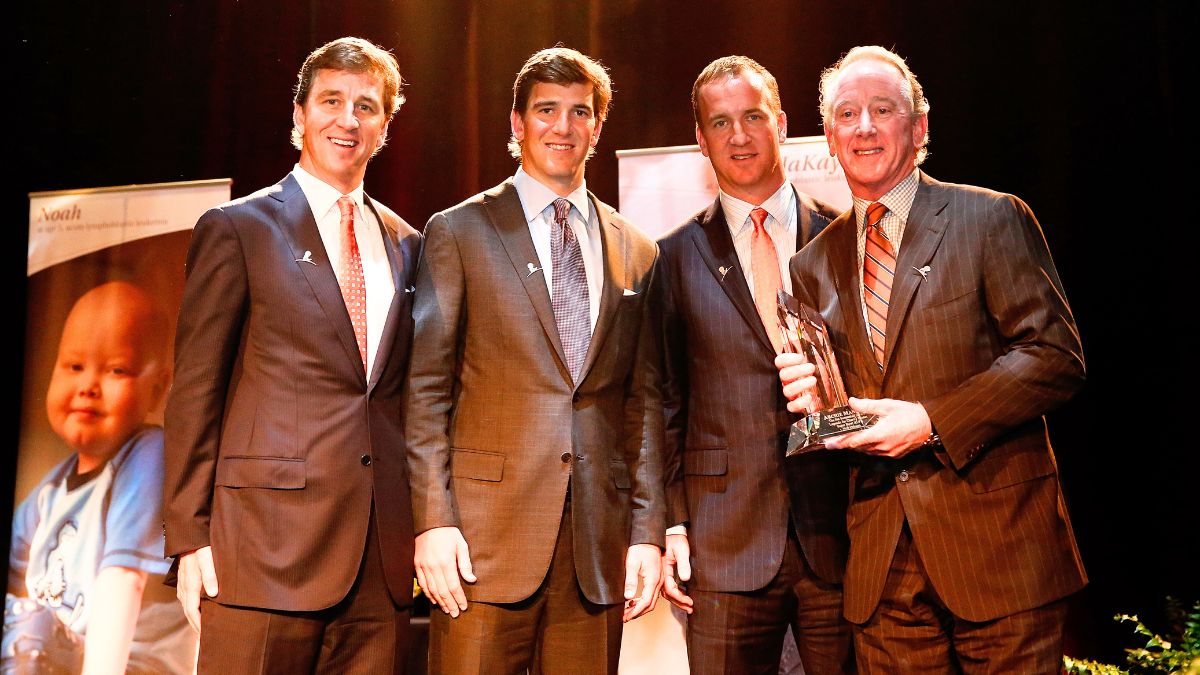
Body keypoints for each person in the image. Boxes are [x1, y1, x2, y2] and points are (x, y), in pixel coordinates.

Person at [776, 45, 1087, 673]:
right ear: (829, 137)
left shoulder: (989, 218)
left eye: (882, 109)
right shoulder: (812, 263)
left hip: (999, 552)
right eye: (846, 113)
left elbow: (1054, 354)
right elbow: (851, 402)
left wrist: (931, 420)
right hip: (883, 566)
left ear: (918, 128)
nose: (863, 126)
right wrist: (817, 400)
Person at [162, 36, 421, 674]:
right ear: (300, 115)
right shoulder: (239, 228)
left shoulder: (409, 244)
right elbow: (197, 389)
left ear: (383, 127)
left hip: (376, 557)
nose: (348, 119)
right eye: (331, 101)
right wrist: (190, 537)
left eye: (367, 106)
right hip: (260, 553)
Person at [405, 46, 665, 675]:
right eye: (546, 110)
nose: (563, 126)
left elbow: (644, 403)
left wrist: (646, 531)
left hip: (594, 551)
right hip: (481, 548)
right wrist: (432, 523)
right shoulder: (459, 231)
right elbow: (426, 390)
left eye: (581, 112)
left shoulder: (637, 250)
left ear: (597, 129)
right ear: (517, 124)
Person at [656, 55, 853, 674]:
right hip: (722, 545)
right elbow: (661, 403)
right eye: (720, 123)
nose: (738, 136)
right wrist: (671, 526)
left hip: (839, 537)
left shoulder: (844, 239)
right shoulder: (672, 257)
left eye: (752, 117)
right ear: (700, 140)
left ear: (782, 124)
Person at [6, 281, 195, 674]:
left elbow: (123, 584)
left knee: (28, 626)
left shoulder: (147, 457)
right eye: (75, 366)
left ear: (158, 388)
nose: (88, 386)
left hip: (128, 662)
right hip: (59, 652)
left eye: (115, 370)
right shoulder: (52, 490)